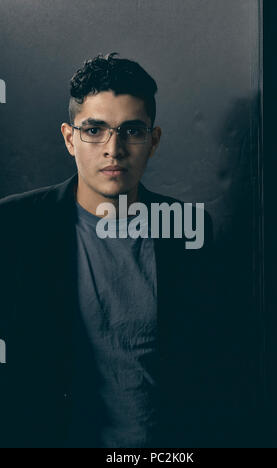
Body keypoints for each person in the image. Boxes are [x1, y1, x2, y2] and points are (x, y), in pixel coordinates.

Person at [0, 53, 254, 448]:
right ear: (70, 138)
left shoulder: (189, 228)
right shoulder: (15, 226)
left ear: (153, 142)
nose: (113, 149)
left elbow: (212, 371)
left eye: (132, 130)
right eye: (95, 130)